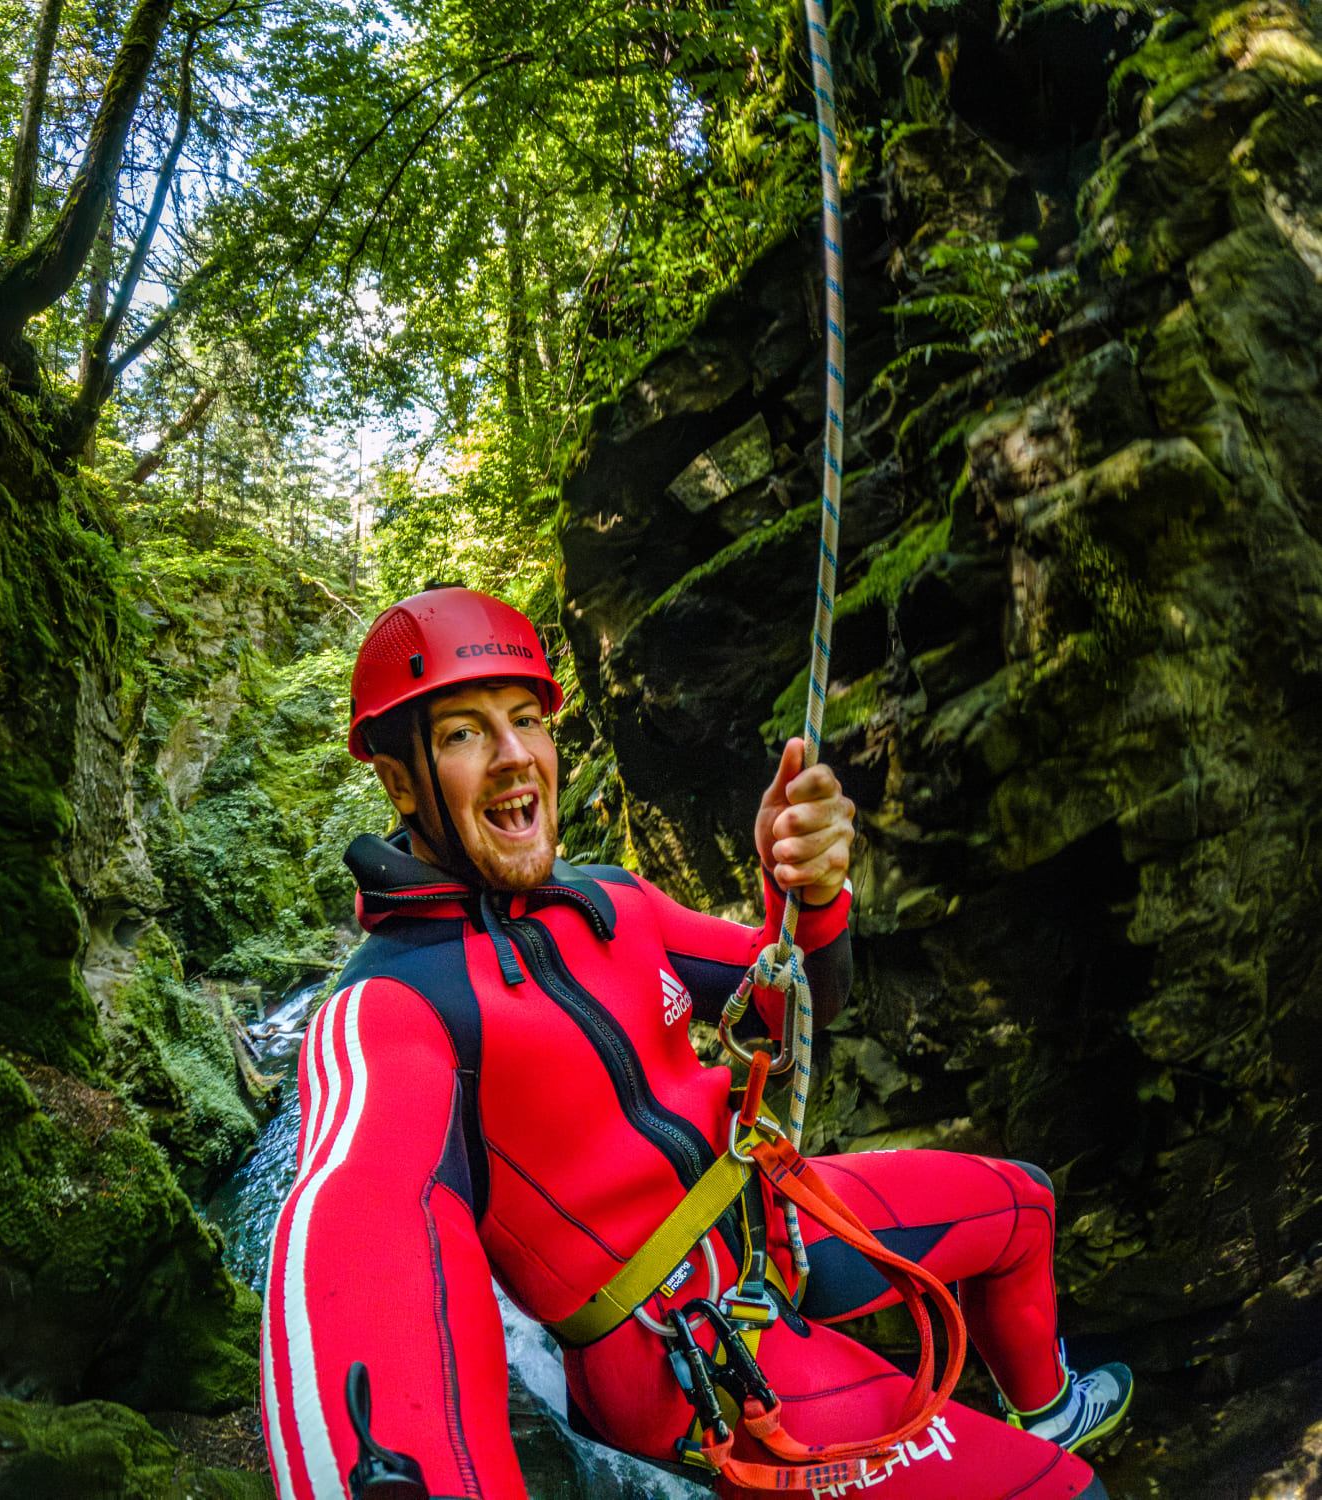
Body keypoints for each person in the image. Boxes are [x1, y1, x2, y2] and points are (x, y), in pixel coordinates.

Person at [261, 585, 1132, 1500]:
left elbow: (795, 999)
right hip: (689, 1355)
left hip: (771, 1223)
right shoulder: (388, 1006)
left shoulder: (610, 902)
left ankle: (1049, 1406)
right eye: (464, 733)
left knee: (1025, 1209)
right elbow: (362, 1224)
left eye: (526, 720)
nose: (516, 756)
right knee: (1068, 1496)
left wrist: (808, 890)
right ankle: (1040, 1450)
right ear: (400, 780)